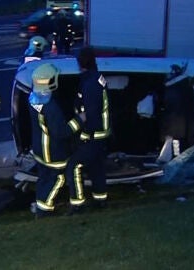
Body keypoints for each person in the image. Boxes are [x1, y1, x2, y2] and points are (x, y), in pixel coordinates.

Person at [28, 63, 85, 218]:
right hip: (53, 153)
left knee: (44, 178)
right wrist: (79, 120)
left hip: (40, 150)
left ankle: (40, 204)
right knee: (57, 179)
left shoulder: (33, 99)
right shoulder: (51, 108)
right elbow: (62, 132)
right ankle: (45, 210)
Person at [65, 46, 111, 214]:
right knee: (96, 167)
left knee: (74, 166)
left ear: (80, 63)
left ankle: (78, 204)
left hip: (93, 134)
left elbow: (90, 113)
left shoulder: (90, 84)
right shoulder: (96, 78)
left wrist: (84, 135)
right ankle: (100, 200)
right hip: (101, 135)